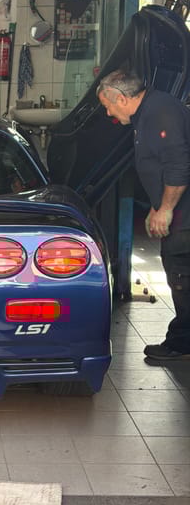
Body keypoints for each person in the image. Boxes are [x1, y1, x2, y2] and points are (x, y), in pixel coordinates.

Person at [96, 68, 190, 363]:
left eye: (107, 105)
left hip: (186, 217)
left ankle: (183, 345)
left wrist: (166, 208)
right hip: (179, 208)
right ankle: (180, 339)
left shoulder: (159, 114)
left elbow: (178, 166)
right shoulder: (151, 110)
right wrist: (157, 203)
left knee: (181, 275)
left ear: (121, 98)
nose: (108, 112)